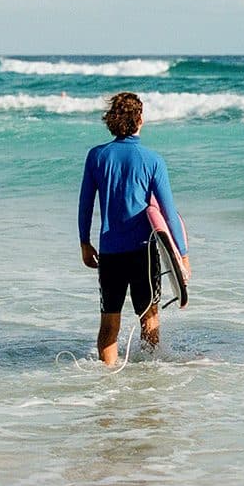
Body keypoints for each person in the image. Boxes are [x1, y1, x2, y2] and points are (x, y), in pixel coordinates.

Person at [78, 92, 189, 366]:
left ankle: (107, 387)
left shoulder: (97, 157)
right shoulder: (152, 160)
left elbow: (85, 204)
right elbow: (167, 212)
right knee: (149, 320)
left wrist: (84, 241)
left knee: (108, 325)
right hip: (143, 252)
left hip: (110, 253)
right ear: (139, 119)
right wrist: (182, 255)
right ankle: (148, 392)